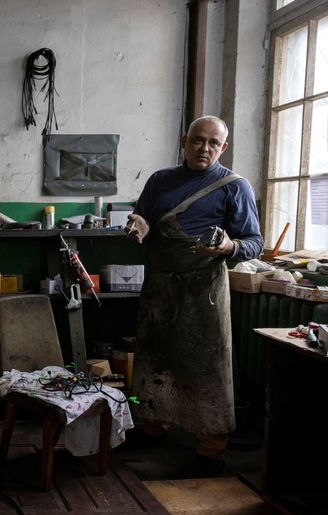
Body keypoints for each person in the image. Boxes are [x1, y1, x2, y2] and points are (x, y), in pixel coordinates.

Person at [124, 115, 264, 478]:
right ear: (184, 140)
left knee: (207, 369)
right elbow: (144, 216)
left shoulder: (235, 186)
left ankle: (211, 451)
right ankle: (153, 429)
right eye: (197, 140)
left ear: (223, 147)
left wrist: (230, 245)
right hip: (159, 287)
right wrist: (138, 224)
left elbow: (254, 243)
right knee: (155, 360)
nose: (204, 148)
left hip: (205, 292)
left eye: (212, 143)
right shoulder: (160, 180)